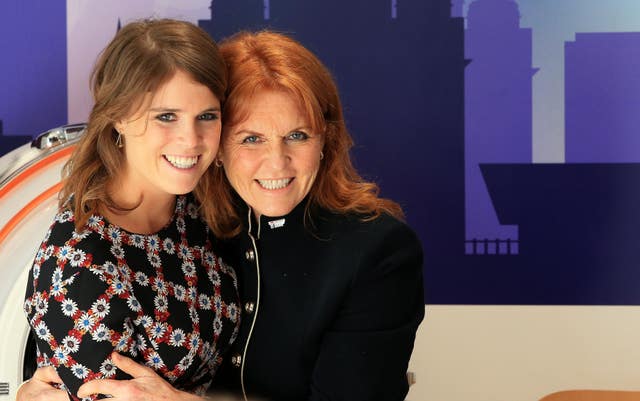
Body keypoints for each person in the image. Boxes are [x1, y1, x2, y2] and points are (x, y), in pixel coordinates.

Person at [19, 30, 424, 401]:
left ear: (326, 139)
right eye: (250, 138)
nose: (275, 163)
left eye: (297, 135)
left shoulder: (374, 250)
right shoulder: (165, 222)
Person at [21, 19, 240, 401]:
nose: (191, 140)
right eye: (166, 116)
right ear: (119, 116)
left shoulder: (199, 206)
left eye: (207, 115)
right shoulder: (80, 268)